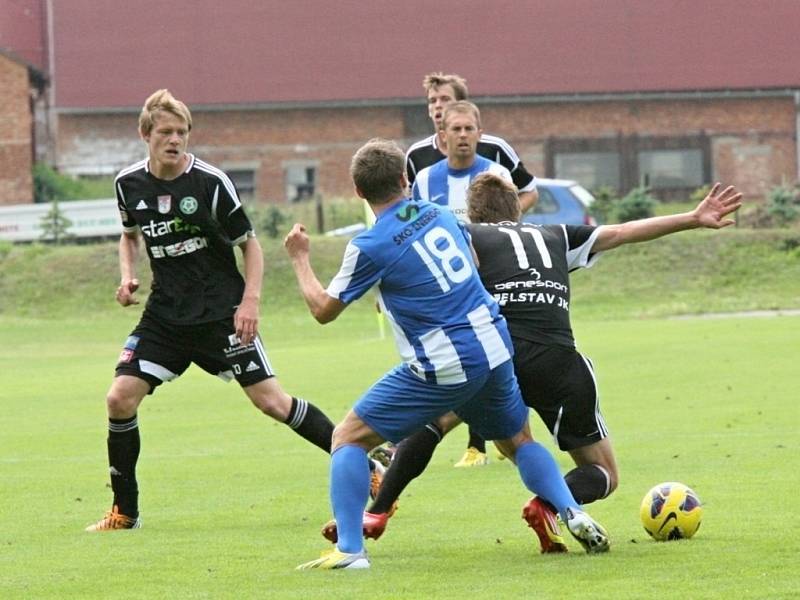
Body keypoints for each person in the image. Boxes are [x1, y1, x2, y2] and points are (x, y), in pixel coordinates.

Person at [325, 172, 742, 553]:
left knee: (437, 418)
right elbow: (621, 232)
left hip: (496, 351)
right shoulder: (555, 234)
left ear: (474, 214)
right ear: (520, 208)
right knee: (603, 472)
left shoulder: (463, 233)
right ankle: (551, 503)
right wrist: (692, 217)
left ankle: (378, 509)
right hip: (557, 360)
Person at [286, 138, 609, 570]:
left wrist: (300, 260)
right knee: (518, 440)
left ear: (359, 193)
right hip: (495, 344)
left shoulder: (368, 245)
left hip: (446, 359)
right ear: (405, 179)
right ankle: (571, 509)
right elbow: (473, 262)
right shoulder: (438, 213)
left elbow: (324, 310)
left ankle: (349, 550)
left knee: (347, 437)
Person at [85, 89, 351, 531]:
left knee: (272, 403)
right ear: (144, 133)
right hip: (166, 316)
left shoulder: (209, 183)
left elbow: (250, 245)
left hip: (221, 314)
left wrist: (250, 302)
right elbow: (129, 234)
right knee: (119, 398)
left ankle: (368, 465)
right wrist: (127, 275)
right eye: (166, 132)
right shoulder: (128, 183)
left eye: (182, 132)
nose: (175, 140)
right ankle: (124, 512)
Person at [411, 99, 511, 466]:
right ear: (442, 136)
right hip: (443, 291)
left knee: (482, 364)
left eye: (470, 128)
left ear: (480, 134)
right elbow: (411, 231)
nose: (464, 135)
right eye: (456, 129)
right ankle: (493, 438)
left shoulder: (497, 175)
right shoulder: (424, 180)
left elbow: (507, 230)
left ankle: (477, 445)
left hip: (488, 288)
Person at [406, 72, 538, 213]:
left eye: (445, 99)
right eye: (432, 101)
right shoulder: (416, 154)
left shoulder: (495, 148)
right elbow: (410, 203)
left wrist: (503, 219)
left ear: (461, 104)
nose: (438, 105)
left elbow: (529, 192)